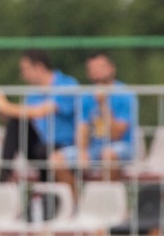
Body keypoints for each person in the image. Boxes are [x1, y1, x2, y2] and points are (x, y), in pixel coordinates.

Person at [0, 50, 79, 182]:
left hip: (63, 146)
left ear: (39, 67)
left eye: (25, 69)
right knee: (16, 122)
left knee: (44, 150)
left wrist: (6, 106)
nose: (22, 75)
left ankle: (5, 176)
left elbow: (41, 111)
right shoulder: (32, 92)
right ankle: (3, 174)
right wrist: (3, 111)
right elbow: (26, 117)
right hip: (40, 146)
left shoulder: (67, 85)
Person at [52, 52, 137, 186]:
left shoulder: (125, 95)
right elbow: (82, 127)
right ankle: (76, 202)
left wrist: (103, 105)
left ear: (112, 68)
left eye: (100, 67)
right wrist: (82, 151)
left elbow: (117, 134)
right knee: (56, 160)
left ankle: (106, 199)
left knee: (108, 155)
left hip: (122, 147)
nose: (97, 72)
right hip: (94, 147)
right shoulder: (86, 96)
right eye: (92, 69)